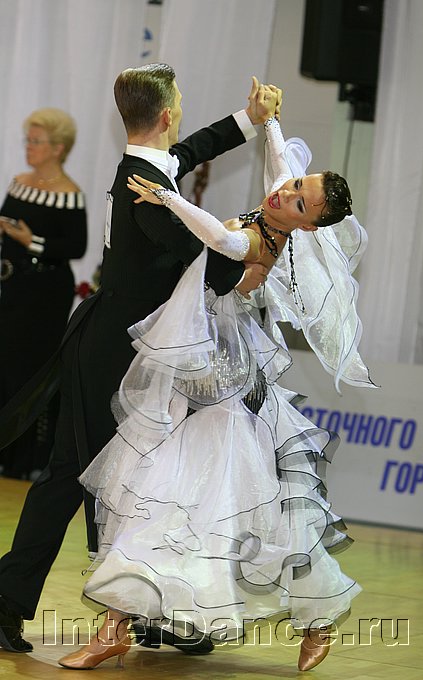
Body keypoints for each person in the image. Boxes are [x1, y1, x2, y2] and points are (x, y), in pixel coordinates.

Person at [57, 112, 375, 671]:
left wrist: (168, 198)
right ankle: (116, 626)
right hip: (193, 372)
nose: (287, 194)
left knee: (224, 506)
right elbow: (281, 166)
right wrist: (268, 121)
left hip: (225, 387)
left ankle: (316, 618)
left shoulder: (262, 238)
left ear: (307, 226)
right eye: (297, 185)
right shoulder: (279, 204)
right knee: (160, 501)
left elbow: (220, 239)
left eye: (301, 201)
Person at [0, 64, 275, 655]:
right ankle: (29, 602)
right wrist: (249, 261)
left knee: (140, 479)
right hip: (112, 352)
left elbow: (193, 150)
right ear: (167, 113)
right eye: (181, 102)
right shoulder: (144, 186)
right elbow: (195, 253)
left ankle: (145, 609)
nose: (183, 112)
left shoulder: (149, 168)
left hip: (125, 345)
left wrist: (248, 121)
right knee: (87, 477)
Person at [0, 108, 87, 480]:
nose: (29, 147)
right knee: (4, 365)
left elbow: (75, 248)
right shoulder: (20, 183)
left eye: (36, 141)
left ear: (58, 148)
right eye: (28, 140)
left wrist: (31, 241)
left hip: (44, 294)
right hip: (11, 286)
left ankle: (26, 460)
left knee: (30, 368)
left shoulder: (70, 195)